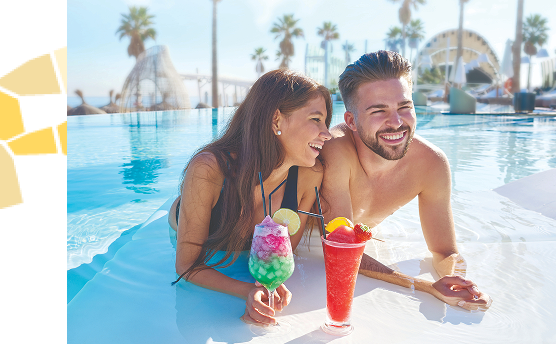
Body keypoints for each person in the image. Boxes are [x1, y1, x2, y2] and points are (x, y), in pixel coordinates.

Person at [320, 50, 492, 311]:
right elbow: (341, 249)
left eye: (404, 107)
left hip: (364, 242)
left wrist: (458, 281)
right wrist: (424, 286)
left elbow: (444, 251)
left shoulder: (431, 164)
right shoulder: (336, 150)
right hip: (314, 247)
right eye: (379, 111)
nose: (396, 122)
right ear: (351, 121)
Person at [168, 69, 332, 325]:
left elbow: (283, 256)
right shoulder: (209, 169)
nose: (327, 133)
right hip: (192, 235)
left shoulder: (310, 175)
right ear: (276, 120)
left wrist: (269, 286)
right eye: (316, 119)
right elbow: (186, 265)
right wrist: (247, 290)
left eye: (326, 122)